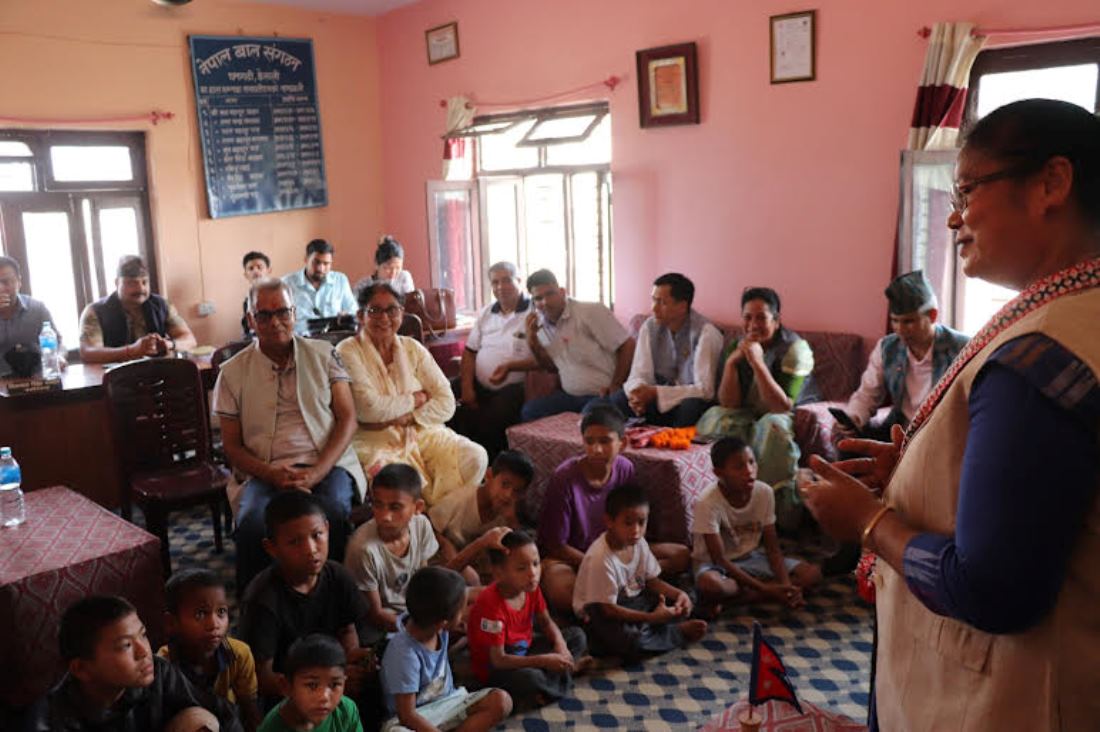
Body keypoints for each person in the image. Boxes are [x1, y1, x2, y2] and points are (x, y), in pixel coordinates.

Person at [799, 99, 1100, 730]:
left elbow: (993, 588)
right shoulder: (1076, 316)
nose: (955, 217)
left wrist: (868, 519)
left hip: (1009, 697)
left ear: (1052, 183)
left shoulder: (1041, 356)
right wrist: (917, 471)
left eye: (967, 189)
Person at [214, 278, 366, 592]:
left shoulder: (325, 354)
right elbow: (231, 445)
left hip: (325, 464)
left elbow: (347, 419)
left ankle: (332, 600)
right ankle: (259, 608)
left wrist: (317, 471)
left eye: (282, 312)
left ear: (294, 313)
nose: (275, 322)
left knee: (333, 514)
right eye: (264, 315)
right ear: (251, 320)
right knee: (254, 525)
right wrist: (270, 473)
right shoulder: (231, 372)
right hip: (264, 470)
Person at [337, 282, 488, 506]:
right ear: (360, 315)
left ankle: (437, 523)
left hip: (423, 431)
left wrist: (411, 416)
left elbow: (446, 402)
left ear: (402, 313)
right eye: (375, 310)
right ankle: (442, 527)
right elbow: (369, 409)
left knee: (475, 456)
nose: (384, 318)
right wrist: (416, 399)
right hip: (375, 440)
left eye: (392, 310)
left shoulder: (412, 348)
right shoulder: (347, 351)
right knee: (399, 484)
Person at [537, 403, 690, 613]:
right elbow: (556, 545)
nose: (596, 449)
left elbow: (631, 516)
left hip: (617, 549)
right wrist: (602, 566)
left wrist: (620, 562)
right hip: (574, 558)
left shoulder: (625, 468)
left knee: (680, 555)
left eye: (605, 441)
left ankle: (618, 592)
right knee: (562, 590)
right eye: (589, 441)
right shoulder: (564, 478)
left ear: (622, 443)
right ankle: (627, 592)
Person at [27, 595, 242, 732]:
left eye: (143, 635)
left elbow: (222, 712)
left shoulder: (157, 672)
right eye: (125, 646)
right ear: (81, 668)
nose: (144, 652)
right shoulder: (52, 721)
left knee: (198, 720)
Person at [696, 286, 815, 532]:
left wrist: (758, 363)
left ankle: (776, 515)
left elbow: (780, 407)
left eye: (761, 317)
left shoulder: (795, 349)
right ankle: (728, 507)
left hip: (788, 416)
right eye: (748, 317)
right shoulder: (738, 345)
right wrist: (732, 363)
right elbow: (728, 403)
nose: (753, 325)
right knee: (715, 417)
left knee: (771, 428)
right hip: (750, 415)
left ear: (777, 320)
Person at [238, 492, 371, 707]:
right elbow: (262, 677)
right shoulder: (262, 600)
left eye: (317, 535)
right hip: (288, 696)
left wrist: (353, 662)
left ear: (327, 529)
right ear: (271, 548)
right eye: (294, 542)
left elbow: (347, 630)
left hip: (332, 679)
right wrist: (322, 685)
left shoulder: (338, 576)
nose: (310, 549)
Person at [344, 463, 509, 635]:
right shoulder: (363, 549)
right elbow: (375, 616)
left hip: (419, 607)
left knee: (488, 595)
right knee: (472, 619)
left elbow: (425, 584)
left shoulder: (420, 525)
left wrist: (481, 543)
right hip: (393, 625)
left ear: (418, 508)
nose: (385, 516)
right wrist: (431, 627)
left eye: (395, 507)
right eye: (378, 505)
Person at [573, 484, 707, 663]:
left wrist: (679, 595)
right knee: (631, 642)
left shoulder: (638, 542)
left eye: (641, 522)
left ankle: (662, 622)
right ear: (609, 521)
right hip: (602, 611)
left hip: (635, 597)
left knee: (688, 590)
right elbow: (609, 610)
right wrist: (652, 618)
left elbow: (651, 581)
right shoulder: (600, 559)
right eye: (628, 523)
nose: (636, 530)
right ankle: (675, 631)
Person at [693, 437, 820, 617]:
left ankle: (743, 598)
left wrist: (785, 586)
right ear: (718, 473)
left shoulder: (764, 492)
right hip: (716, 566)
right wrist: (768, 590)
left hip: (752, 558)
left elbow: (773, 548)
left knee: (811, 574)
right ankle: (763, 592)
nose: (749, 471)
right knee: (711, 585)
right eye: (739, 467)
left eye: (752, 462)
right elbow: (719, 559)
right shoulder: (707, 502)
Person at [836, 270, 969, 442]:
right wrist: (854, 417)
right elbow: (867, 394)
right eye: (895, 321)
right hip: (900, 433)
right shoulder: (887, 348)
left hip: (943, 436)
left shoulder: (962, 348)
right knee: (850, 445)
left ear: (932, 315)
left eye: (909, 321)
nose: (900, 329)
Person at [467, 531, 590, 710]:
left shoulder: (530, 588)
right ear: (499, 573)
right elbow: (498, 660)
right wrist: (544, 661)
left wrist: (560, 645)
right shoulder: (491, 606)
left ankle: (552, 682)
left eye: (536, 564)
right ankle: (564, 674)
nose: (533, 573)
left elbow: (546, 622)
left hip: (525, 651)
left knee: (577, 636)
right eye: (521, 568)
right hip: (498, 669)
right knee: (530, 679)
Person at [380, 567, 512, 732]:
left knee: (501, 701)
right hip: (413, 718)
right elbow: (407, 715)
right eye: (461, 610)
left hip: (449, 704)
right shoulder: (404, 654)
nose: (464, 613)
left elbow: (467, 593)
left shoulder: (430, 620)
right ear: (443, 622)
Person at [517, 269, 635, 422]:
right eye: (538, 298)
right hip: (570, 396)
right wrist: (532, 341)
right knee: (530, 411)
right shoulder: (538, 325)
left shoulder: (589, 311)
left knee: (590, 419)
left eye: (550, 294)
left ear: (562, 291)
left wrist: (617, 384)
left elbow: (627, 344)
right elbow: (552, 367)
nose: (545, 302)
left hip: (603, 394)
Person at [612, 273, 723, 427]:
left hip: (687, 401)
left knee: (690, 407)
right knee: (618, 400)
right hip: (657, 398)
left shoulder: (706, 333)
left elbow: (705, 390)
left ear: (682, 306)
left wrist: (656, 392)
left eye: (662, 302)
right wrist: (637, 393)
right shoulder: (649, 327)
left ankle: (675, 445)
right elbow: (639, 372)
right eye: (653, 300)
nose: (654, 308)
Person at [158, 569, 262, 732]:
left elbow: (249, 708)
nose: (214, 624)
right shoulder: (164, 666)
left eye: (221, 612)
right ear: (172, 623)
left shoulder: (239, 654)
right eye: (200, 614)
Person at [450, 262, 534, 458]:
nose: (500, 287)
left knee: (491, 420)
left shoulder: (533, 312)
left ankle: (489, 464)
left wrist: (509, 367)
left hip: (513, 388)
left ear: (519, 281)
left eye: (506, 280)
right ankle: (457, 456)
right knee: (444, 398)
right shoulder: (487, 312)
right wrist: (467, 387)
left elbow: (544, 358)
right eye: (495, 282)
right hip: (479, 384)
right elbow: (470, 352)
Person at [429, 449, 535, 577]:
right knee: (471, 577)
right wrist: (445, 544)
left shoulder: (509, 510)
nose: (509, 495)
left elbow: (514, 548)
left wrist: (511, 519)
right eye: (505, 484)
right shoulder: (460, 500)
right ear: (489, 475)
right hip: (445, 566)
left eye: (517, 491)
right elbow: (428, 524)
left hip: (478, 566)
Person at [79, 255, 197, 363]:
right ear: (117, 283)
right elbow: (88, 353)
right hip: (115, 380)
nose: (140, 289)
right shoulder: (95, 311)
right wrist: (132, 350)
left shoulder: (161, 305)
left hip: (158, 374)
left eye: (144, 282)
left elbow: (190, 340)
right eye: (131, 283)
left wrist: (170, 344)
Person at [257, 634, 362, 732]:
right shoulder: (271, 728)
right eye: (312, 685)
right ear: (286, 687)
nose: (324, 696)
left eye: (334, 685)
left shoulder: (345, 711)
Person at [0, 255, 65, 377]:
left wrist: (58, 356)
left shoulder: (37, 309)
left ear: (19, 282)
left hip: (35, 382)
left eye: (5, 282)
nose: (1, 288)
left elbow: (59, 342)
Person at [282, 239, 357, 335]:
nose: (320, 268)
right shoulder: (287, 283)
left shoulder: (340, 280)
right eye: (316, 262)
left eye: (326, 264)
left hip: (333, 337)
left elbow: (353, 310)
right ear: (306, 259)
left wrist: (347, 315)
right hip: (300, 340)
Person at [240, 251, 271, 338]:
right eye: (251, 268)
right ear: (246, 275)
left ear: (268, 270)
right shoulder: (248, 299)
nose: (255, 271)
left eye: (259, 267)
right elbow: (247, 329)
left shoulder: (279, 294)